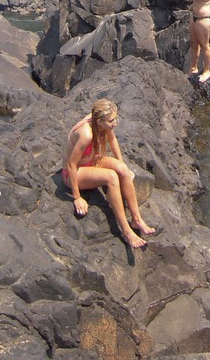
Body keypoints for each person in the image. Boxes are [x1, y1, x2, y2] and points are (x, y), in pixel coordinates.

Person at [62, 98, 156, 250]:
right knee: (111, 177)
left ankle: (136, 219)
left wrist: (122, 164)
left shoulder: (102, 122)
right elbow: (71, 164)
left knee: (123, 171)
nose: (115, 123)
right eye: (112, 120)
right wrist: (77, 197)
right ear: (99, 121)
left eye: (115, 118)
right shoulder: (86, 134)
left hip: (93, 161)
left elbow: (113, 141)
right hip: (74, 172)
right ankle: (126, 232)